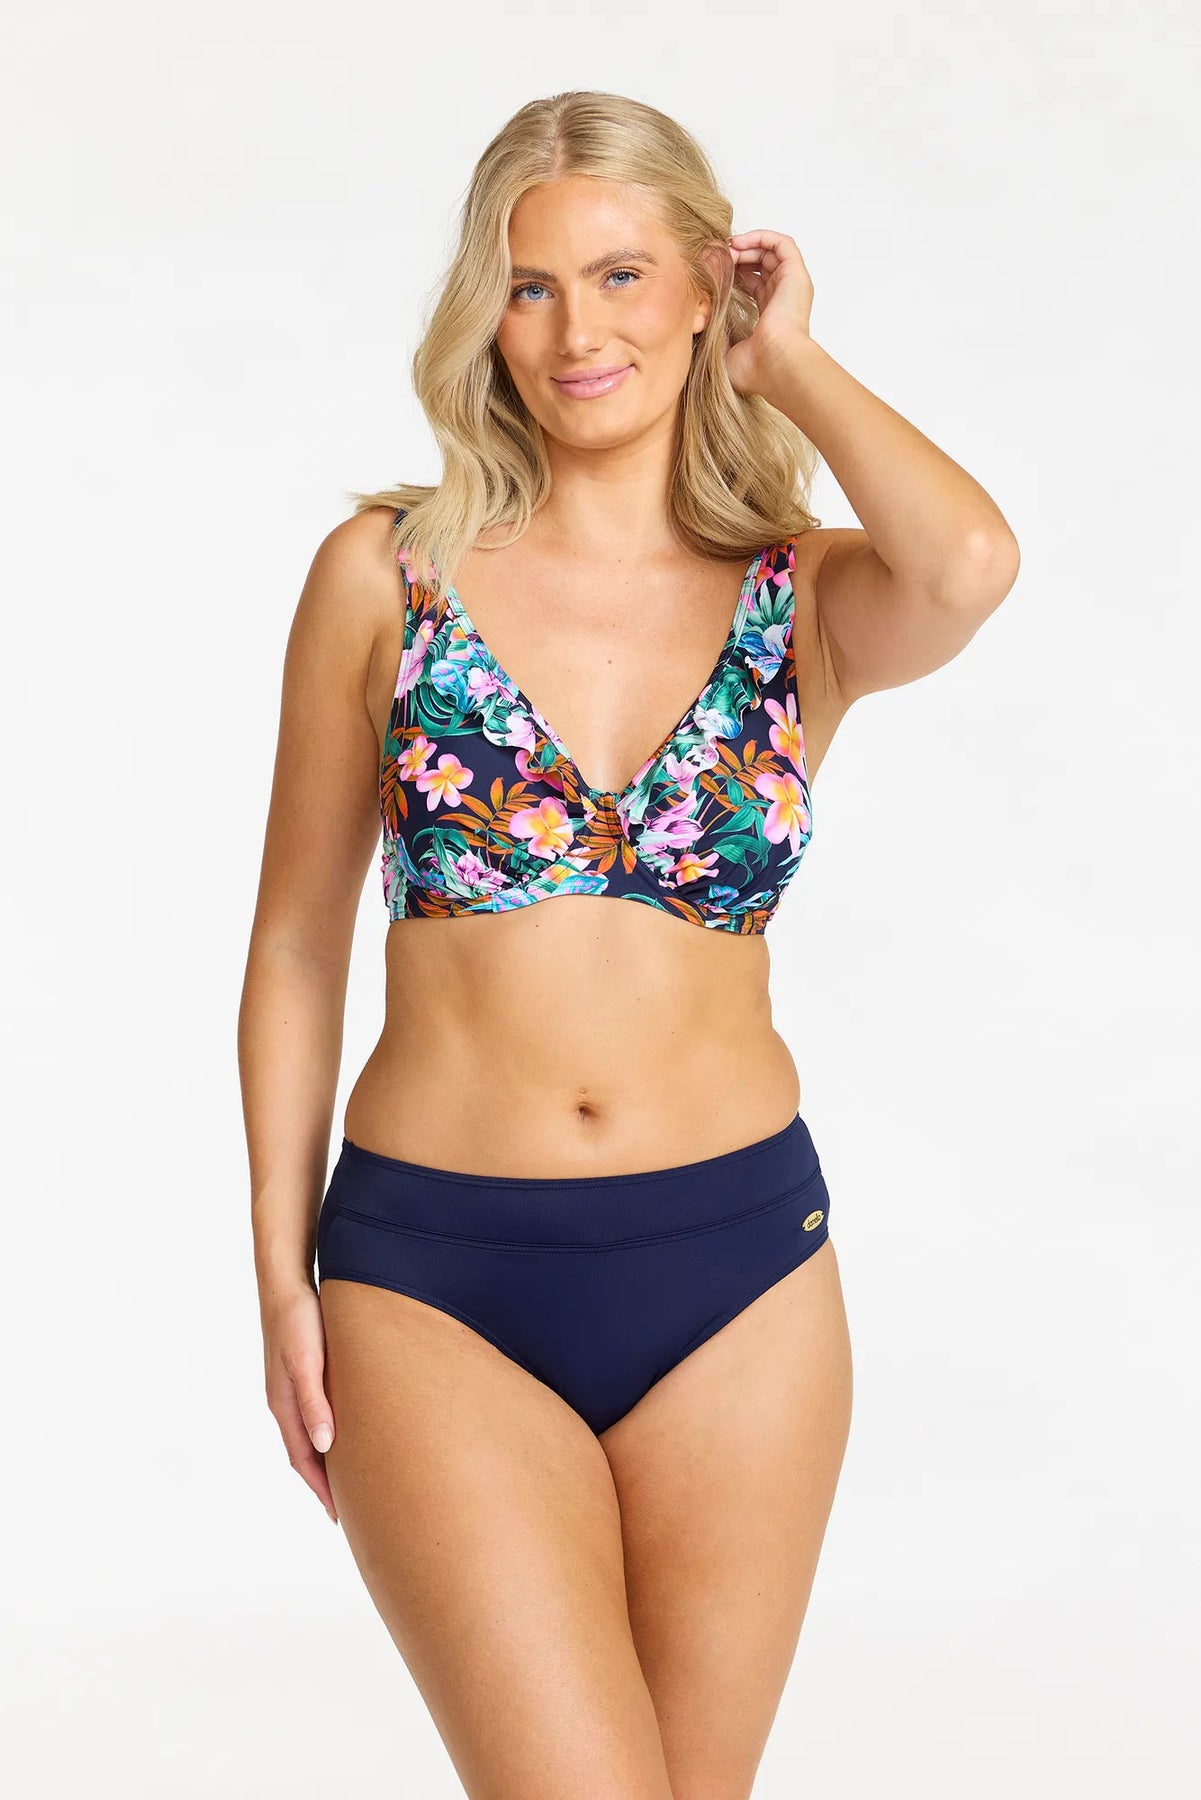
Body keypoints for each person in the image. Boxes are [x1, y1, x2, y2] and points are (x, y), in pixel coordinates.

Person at [239, 89, 1019, 1800]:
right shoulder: (387, 575)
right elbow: (295, 944)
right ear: (484, 312)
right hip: (433, 1279)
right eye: (528, 286)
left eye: (618, 275)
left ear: (702, 287)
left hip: (740, 1278)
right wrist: (279, 1273)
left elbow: (968, 563)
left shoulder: (799, 599)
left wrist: (789, 362)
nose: (574, 331)